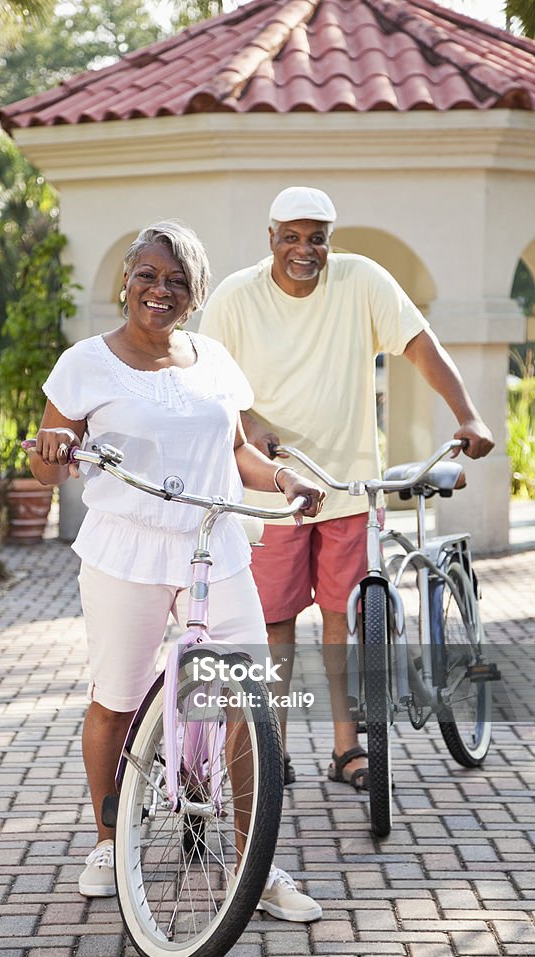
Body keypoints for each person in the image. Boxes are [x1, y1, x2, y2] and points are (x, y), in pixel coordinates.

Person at [28, 220, 326, 923]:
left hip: (213, 543)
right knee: (118, 698)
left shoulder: (215, 361)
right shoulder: (84, 364)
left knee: (251, 711)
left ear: (195, 296)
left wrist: (281, 480)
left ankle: (255, 865)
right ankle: (109, 841)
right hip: (125, 549)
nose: (159, 291)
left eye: (177, 281)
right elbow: (46, 467)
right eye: (147, 276)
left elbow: (236, 453)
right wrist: (54, 447)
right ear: (125, 282)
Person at [199, 187, 495, 791]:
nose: (303, 250)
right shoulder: (235, 297)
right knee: (275, 625)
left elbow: (420, 345)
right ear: (271, 239)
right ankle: (272, 751)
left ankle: (345, 749)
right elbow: (212, 385)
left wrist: (468, 414)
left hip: (349, 487)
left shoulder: (360, 280)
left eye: (316, 238)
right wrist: (251, 428)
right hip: (273, 492)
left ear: (328, 241)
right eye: (291, 237)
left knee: (343, 618)